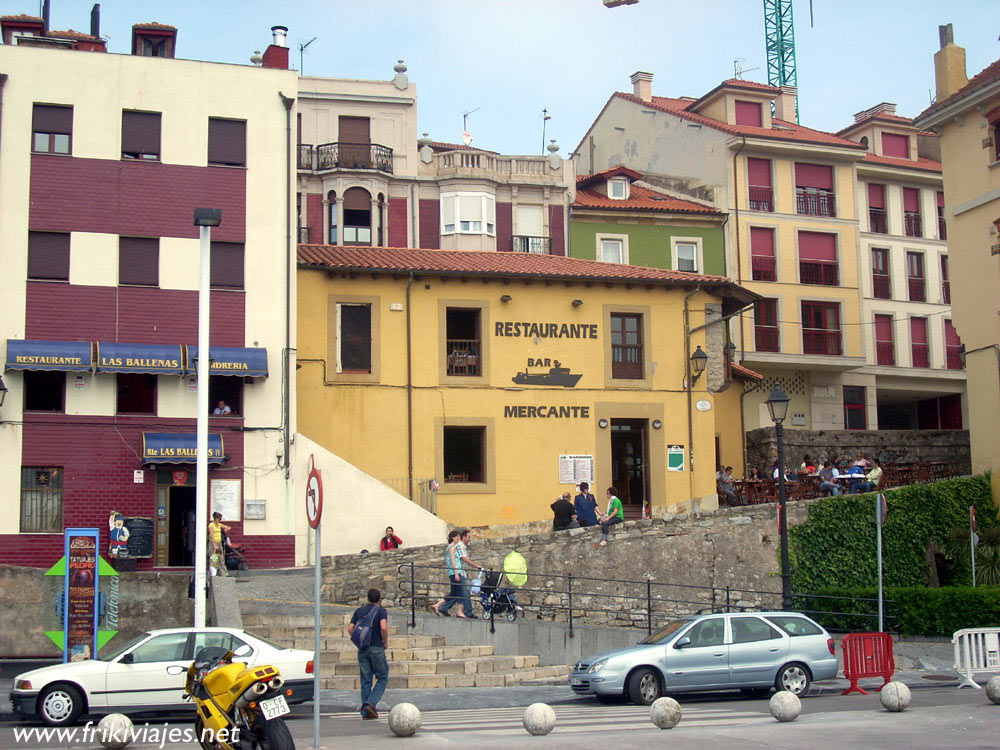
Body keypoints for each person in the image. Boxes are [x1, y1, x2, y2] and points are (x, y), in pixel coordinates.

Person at [348, 588, 389, 720]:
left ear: (367, 598)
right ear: (379, 599)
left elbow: (350, 628)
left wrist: (358, 640)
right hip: (377, 647)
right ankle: (370, 704)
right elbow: (383, 627)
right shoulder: (381, 611)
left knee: (365, 680)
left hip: (363, 649)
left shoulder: (359, 611)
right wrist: (385, 641)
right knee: (382, 677)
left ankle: (365, 713)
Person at [437, 528, 482, 618]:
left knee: (457, 592)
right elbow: (458, 560)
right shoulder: (456, 546)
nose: (470, 539)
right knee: (463, 592)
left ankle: (442, 607)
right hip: (459, 572)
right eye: (468, 537)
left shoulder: (457, 546)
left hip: (459, 572)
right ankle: (466, 612)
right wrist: (475, 566)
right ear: (463, 537)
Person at [430, 530, 460, 616]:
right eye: (456, 536)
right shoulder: (452, 548)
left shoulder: (452, 547)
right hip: (453, 572)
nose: (458, 538)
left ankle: (440, 606)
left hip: (453, 572)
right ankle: (439, 606)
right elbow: (453, 561)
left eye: (458, 536)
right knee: (456, 592)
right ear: (452, 538)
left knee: (454, 592)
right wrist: (456, 573)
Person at [208, 512, 231, 576]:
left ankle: (224, 574)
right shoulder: (211, 525)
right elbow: (212, 535)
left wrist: (226, 528)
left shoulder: (219, 525)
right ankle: (212, 574)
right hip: (213, 543)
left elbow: (228, 527)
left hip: (219, 542)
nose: (219, 520)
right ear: (215, 518)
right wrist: (214, 545)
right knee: (213, 559)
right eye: (218, 519)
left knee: (221, 558)